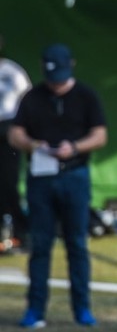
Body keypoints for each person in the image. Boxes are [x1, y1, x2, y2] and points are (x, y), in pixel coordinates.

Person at [8, 44, 107, 328]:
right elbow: (15, 133)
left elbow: (100, 135)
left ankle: (82, 309)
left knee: (77, 244)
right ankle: (35, 310)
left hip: (74, 175)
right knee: (40, 245)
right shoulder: (32, 98)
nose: (56, 83)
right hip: (40, 179)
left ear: (71, 66)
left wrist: (74, 147)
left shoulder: (86, 96)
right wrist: (33, 145)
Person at [0, 34, 32, 251]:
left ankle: (20, 231)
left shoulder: (12, 71)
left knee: (8, 183)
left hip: (7, 130)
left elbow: (27, 100)